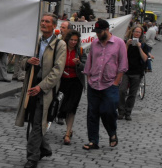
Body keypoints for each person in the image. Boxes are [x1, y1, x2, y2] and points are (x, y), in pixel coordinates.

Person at [15, 13, 66, 168]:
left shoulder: (60, 45)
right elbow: (21, 62)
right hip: (30, 86)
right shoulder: (35, 41)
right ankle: (44, 148)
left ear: (54, 26)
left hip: (45, 90)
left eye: (47, 21)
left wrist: (41, 87)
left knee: (37, 122)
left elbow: (57, 70)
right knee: (32, 119)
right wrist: (28, 61)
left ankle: (32, 157)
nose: (43, 23)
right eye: (42, 21)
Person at [82, 19, 128, 150]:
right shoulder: (95, 42)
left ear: (107, 30)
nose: (97, 35)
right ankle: (93, 141)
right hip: (94, 82)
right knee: (92, 113)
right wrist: (89, 77)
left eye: (99, 32)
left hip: (110, 84)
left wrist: (115, 83)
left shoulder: (119, 43)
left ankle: (112, 133)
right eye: (96, 32)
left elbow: (123, 65)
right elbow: (90, 59)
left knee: (108, 110)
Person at [58, 30, 86, 145]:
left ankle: (68, 133)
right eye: (71, 40)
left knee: (72, 108)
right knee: (62, 106)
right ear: (67, 40)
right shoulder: (61, 49)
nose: (73, 42)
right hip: (62, 81)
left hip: (76, 82)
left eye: (76, 40)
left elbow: (86, 65)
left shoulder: (80, 51)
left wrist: (79, 64)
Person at [118, 25, 148, 121]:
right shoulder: (125, 42)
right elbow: (121, 56)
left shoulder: (143, 45)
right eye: (136, 31)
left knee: (132, 93)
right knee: (122, 91)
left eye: (139, 32)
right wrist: (127, 45)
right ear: (132, 32)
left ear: (141, 34)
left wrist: (139, 47)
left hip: (137, 72)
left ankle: (128, 112)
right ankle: (121, 111)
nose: (137, 33)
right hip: (126, 70)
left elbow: (145, 58)